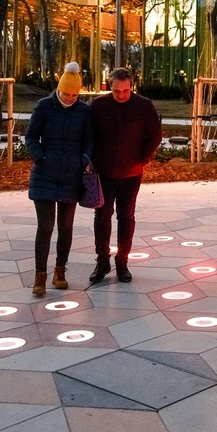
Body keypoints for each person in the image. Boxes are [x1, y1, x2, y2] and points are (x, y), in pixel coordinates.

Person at [25, 62, 93, 296]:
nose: (70, 98)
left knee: (66, 227)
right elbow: (30, 136)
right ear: (59, 89)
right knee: (45, 226)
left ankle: (60, 271)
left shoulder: (83, 111)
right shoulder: (44, 106)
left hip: (71, 176)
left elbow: (89, 140)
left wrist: (83, 159)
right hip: (44, 174)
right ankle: (40, 276)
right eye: (66, 94)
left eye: (75, 95)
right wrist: (40, 157)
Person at [89, 68, 163, 284]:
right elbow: (88, 133)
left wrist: (143, 158)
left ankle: (122, 261)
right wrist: (91, 160)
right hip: (103, 171)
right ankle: (102, 260)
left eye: (125, 91)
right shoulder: (98, 106)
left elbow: (155, 135)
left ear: (132, 87)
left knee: (126, 216)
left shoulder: (143, 106)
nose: (121, 95)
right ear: (109, 87)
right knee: (102, 215)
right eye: (116, 91)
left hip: (131, 172)